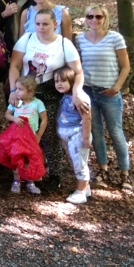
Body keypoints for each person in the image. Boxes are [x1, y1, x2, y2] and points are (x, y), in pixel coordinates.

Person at [7, 8, 89, 190]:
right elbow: (14, 65)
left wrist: (77, 91)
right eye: (38, 24)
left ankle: (55, 174)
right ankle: (23, 173)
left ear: (55, 24)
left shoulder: (63, 43)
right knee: (22, 132)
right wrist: (13, 90)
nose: (41, 28)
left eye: (45, 24)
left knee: (49, 133)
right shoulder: (27, 39)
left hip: (50, 93)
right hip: (26, 92)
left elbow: (78, 71)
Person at [76, 3, 132, 191]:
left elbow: (125, 66)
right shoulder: (80, 39)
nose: (94, 20)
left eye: (98, 17)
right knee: (96, 133)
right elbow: (78, 66)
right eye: (90, 17)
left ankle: (125, 174)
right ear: (86, 18)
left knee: (116, 133)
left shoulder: (115, 38)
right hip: (88, 92)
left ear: (105, 18)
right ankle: (103, 169)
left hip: (108, 93)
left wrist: (116, 88)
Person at [54, 67, 93, 205]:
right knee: (73, 161)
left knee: (79, 163)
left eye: (63, 81)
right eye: (56, 81)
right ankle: (86, 187)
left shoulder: (81, 98)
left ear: (72, 81)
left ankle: (81, 192)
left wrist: (86, 137)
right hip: (66, 135)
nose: (59, 84)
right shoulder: (65, 96)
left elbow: (87, 118)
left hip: (77, 134)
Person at [4, 75, 48, 194]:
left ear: (30, 91)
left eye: (20, 89)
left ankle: (29, 181)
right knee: (17, 158)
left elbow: (44, 119)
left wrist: (39, 135)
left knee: (28, 158)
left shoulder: (37, 103)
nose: (16, 92)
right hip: (17, 137)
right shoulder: (16, 103)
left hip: (31, 137)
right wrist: (14, 118)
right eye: (16, 88)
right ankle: (16, 180)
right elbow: (7, 114)